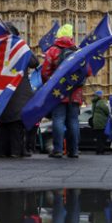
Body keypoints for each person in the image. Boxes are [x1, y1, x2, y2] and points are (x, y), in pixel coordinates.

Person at [41, 24, 83, 158]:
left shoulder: (52, 51)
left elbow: (45, 72)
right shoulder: (78, 51)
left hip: (58, 92)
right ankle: (74, 150)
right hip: (75, 93)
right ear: (71, 36)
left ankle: (58, 150)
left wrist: (50, 84)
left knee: (58, 119)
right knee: (73, 121)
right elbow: (87, 71)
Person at [0, 54, 40, 158]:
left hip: (1, 89)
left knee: (3, 122)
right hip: (18, 90)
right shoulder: (20, 48)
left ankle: (3, 151)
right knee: (16, 122)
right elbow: (34, 62)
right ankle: (16, 151)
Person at [89, 89, 110, 155]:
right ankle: (101, 151)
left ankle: (98, 150)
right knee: (102, 137)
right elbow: (107, 110)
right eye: (102, 94)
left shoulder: (94, 102)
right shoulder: (100, 102)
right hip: (101, 122)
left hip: (96, 122)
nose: (103, 96)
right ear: (100, 95)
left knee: (98, 137)